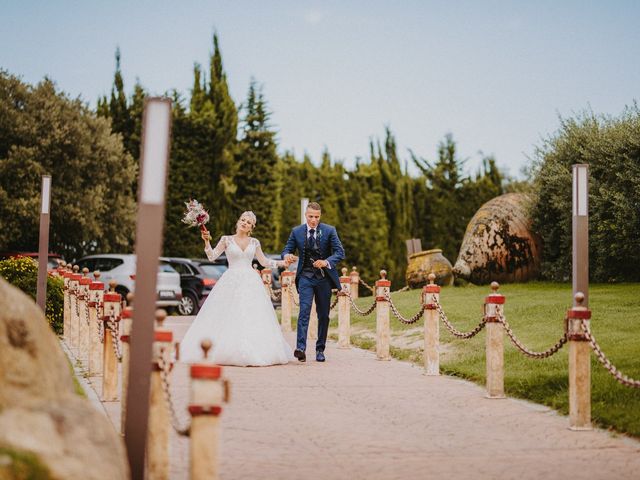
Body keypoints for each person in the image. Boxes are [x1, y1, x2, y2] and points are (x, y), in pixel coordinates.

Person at [179, 211, 294, 366]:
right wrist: (206, 242)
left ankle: (254, 350)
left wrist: (282, 264)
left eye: (248, 222)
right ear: (238, 221)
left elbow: (264, 261)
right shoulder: (226, 240)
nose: (244, 223)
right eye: (242, 220)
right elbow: (212, 256)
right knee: (227, 313)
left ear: (250, 228)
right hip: (231, 279)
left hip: (250, 281)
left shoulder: (254, 242)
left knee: (251, 314)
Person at [282, 202, 345, 362]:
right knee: (304, 311)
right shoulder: (296, 232)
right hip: (305, 277)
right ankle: (300, 348)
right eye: (310, 216)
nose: (313, 220)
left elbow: (340, 252)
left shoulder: (329, 231)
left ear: (320, 216)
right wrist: (287, 256)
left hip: (324, 278)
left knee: (323, 315)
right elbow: (287, 249)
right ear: (306, 215)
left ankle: (320, 350)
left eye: (316, 217)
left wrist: (326, 261)